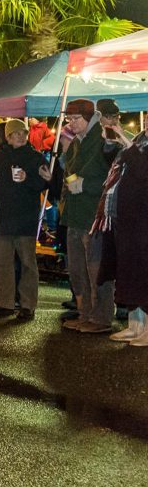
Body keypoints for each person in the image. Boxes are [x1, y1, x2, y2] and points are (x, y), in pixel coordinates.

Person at [0, 119, 51, 321]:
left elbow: (46, 183)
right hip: (2, 216)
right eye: (16, 133)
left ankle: (28, 305)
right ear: (8, 136)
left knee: (28, 263)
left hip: (26, 217)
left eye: (23, 132)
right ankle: (5, 302)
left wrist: (28, 179)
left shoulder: (35, 158)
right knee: (3, 263)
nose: (20, 136)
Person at [60, 99, 114, 334]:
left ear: (90, 117)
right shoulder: (76, 143)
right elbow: (69, 173)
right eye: (69, 119)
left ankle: (101, 318)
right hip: (75, 214)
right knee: (78, 269)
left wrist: (86, 184)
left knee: (96, 269)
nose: (71, 123)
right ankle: (85, 314)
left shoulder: (102, 139)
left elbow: (113, 176)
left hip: (94, 216)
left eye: (75, 119)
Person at [94, 118, 148, 345]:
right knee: (128, 273)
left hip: (142, 218)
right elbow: (116, 164)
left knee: (142, 273)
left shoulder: (137, 146)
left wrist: (129, 146)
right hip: (124, 217)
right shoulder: (140, 141)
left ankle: (146, 329)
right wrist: (111, 144)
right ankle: (135, 325)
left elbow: (143, 170)